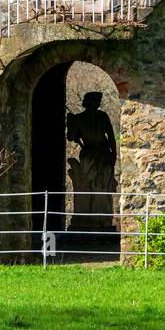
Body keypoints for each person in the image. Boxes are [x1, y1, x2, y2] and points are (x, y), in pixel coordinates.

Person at [66, 92, 117, 232]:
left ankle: (103, 218)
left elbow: (111, 137)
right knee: (87, 183)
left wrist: (114, 156)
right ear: (89, 102)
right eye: (95, 101)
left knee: (103, 184)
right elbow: (71, 137)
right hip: (91, 154)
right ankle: (87, 218)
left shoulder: (100, 117)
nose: (97, 104)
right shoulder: (82, 118)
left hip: (102, 154)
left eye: (98, 101)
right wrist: (71, 123)